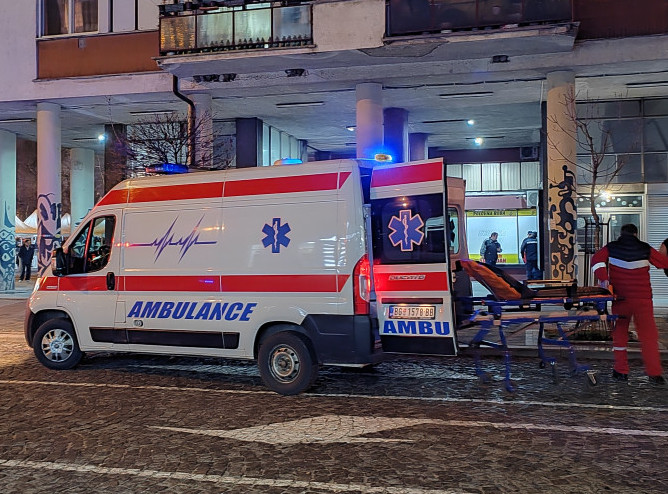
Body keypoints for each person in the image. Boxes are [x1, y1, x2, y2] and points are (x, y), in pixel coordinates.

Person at [591, 223, 668, 385]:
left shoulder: (612, 247)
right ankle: (654, 373)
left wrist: (604, 278)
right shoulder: (645, 248)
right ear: (636, 234)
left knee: (620, 333)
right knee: (648, 336)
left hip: (621, 299)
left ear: (621, 233)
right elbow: (663, 263)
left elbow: (596, 260)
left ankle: (621, 371)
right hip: (643, 300)